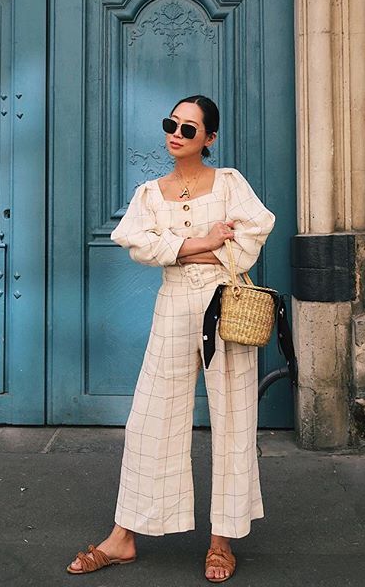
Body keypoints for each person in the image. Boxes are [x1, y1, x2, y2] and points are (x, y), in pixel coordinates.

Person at [67, 95, 275, 582]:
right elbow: (137, 245)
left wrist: (175, 249)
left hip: (226, 305)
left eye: (188, 128)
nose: (176, 134)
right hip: (174, 305)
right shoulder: (150, 193)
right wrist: (205, 242)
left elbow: (247, 244)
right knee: (150, 419)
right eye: (171, 124)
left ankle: (222, 540)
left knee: (234, 419)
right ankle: (123, 537)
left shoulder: (230, 183)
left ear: (210, 137)